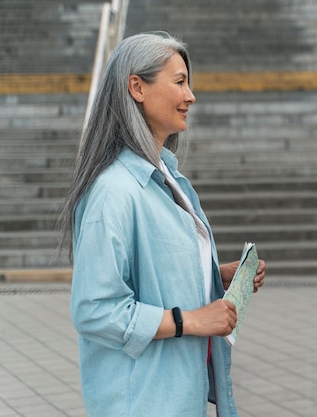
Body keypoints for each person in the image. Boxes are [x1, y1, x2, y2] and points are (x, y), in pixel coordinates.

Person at [58, 31, 265, 417]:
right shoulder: (114, 192)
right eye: (180, 82)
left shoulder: (167, 177)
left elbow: (152, 274)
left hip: (179, 394)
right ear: (136, 87)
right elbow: (94, 310)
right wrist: (192, 320)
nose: (191, 96)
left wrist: (213, 275)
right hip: (142, 401)